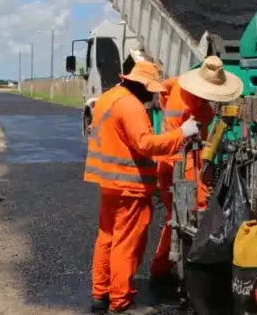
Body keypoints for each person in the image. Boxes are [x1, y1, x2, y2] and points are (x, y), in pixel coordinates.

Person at [85, 60, 201, 315]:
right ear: (140, 85)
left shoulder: (108, 98)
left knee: (107, 238)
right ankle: (120, 302)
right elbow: (146, 144)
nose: (152, 96)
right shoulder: (131, 106)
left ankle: (100, 294)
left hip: (109, 182)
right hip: (130, 186)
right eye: (150, 90)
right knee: (127, 244)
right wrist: (182, 133)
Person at [149, 56, 243, 286]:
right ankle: (184, 269)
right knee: (188, 215)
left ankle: (164, 268)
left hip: (184, 161)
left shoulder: (189, 94)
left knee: (178, 216)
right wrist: (202, 184)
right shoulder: (184, 105)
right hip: (178, 166)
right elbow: (181, 148)